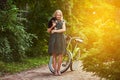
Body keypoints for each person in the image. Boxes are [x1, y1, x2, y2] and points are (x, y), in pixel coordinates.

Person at [47, 10, 66, 76]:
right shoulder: (52, 21)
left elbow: (63, 30)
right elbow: (48, 31)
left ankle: (58, 70)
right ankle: (55, 71)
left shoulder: (63, 21)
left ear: (61, 15)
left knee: (61, 55)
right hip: (53, 39)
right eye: (57, 15)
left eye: (60, 15)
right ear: (55, 15)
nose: (58, 16)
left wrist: (55, 31)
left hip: (61, 39)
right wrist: (52, 26)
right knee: (54, 55)